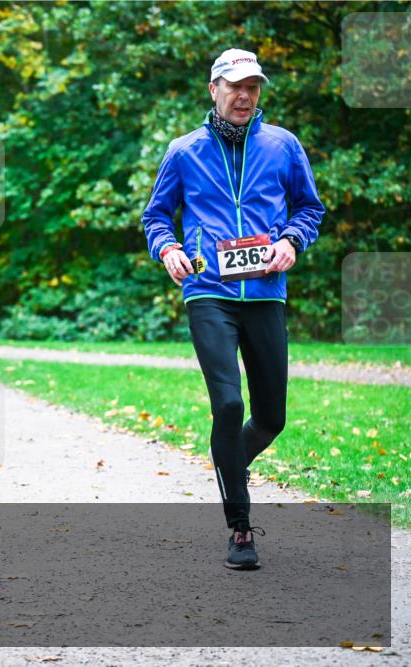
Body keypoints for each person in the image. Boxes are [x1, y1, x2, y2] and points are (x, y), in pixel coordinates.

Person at [142, 48, 324, 570]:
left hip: (266, 292)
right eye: (235, 86)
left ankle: (228, 463)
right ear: (214, 89)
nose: (244, 96)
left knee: (270, 419)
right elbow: (157, 216)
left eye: (252, 87)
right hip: (208, 291)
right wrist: (168, 249)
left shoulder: (282, 145)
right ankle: (240, 529)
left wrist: (291, 240)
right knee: (227, 406)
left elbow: (309, 208)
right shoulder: (184, 151)